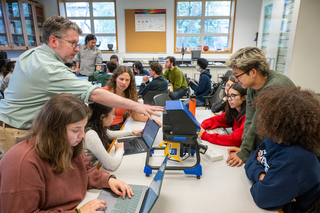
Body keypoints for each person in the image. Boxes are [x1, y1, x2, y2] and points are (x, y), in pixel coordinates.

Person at [0, 16, 162, 154]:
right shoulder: (48, 67)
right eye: (73, 43)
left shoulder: (32, 54)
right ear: (54, 41)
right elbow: (94, 94)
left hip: (13, 124)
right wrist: (137, 106)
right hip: (18, 131)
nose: (77, 49)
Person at [0, 93, 134, 212]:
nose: (82, 135)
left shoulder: (69, 143)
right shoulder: (23, 163)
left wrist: (108, 180)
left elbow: (86, 170)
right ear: (54, 129)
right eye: (76, 130)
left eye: (83, 128)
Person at [245, 86, 320, 213]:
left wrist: (265, 179)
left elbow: (262, 197)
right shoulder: (273, 138)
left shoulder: (296, 157)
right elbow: (251, 159)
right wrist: (263, 176)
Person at [225, 47, 295, 167]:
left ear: (253, 72)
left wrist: (245, 153)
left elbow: (257, 124)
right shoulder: (253, 87)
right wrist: (244, 149)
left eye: (238, 75)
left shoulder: (274, 87)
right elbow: (250, 120)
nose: (236, 80)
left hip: (296, 147)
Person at [85, 102, 143, 171]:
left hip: (99, 166)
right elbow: (111, 165)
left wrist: (132, 132)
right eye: (112, 114)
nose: (114, 117)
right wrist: (120, 150)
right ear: (102, 117)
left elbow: (110, 134)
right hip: (95, 170)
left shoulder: (95, 126)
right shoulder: (90, 134)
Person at [102, 66, 162, 130]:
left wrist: (153, 121)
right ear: (115, 78)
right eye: (121, 79)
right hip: (105, 129)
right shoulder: (103, 92)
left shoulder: (129, 94)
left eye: (127, 80)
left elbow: (135, 115)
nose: (124, 83)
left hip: (121, 126)